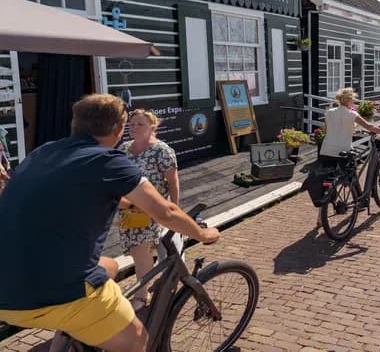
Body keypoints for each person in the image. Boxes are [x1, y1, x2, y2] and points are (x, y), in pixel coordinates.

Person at [0, 94, 218, 352]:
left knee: (111, 266)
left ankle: (70, 340)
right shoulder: (108, 161)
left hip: (6, 282)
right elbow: (166, 212)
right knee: (137, 340)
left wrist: (124, 202)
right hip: (52, 291)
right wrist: (202, 234)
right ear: (118, 129)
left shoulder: (43, 152)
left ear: (75, 123)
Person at [116, 109, 179, 310]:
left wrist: (173, 210)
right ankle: (157, 280)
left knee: (141, 250)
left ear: (153, 127)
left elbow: (173, 181)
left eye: (140, 124)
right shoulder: (125, 148)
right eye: (132, 124)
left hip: (151, 209)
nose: (134, 128)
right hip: (127, 209)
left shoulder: (162, 150)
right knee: (139, 251)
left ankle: (141, 296)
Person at [320, 88, 380, 166]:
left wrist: (353, 130)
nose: (354, 102)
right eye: (353, 100)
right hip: (342, 151)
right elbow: (369, 126)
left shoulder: (329, 112)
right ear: (349, 100)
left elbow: (330, 129)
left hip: (326, 150)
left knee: (329, 176)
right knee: (350, 174)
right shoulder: (352, 114)